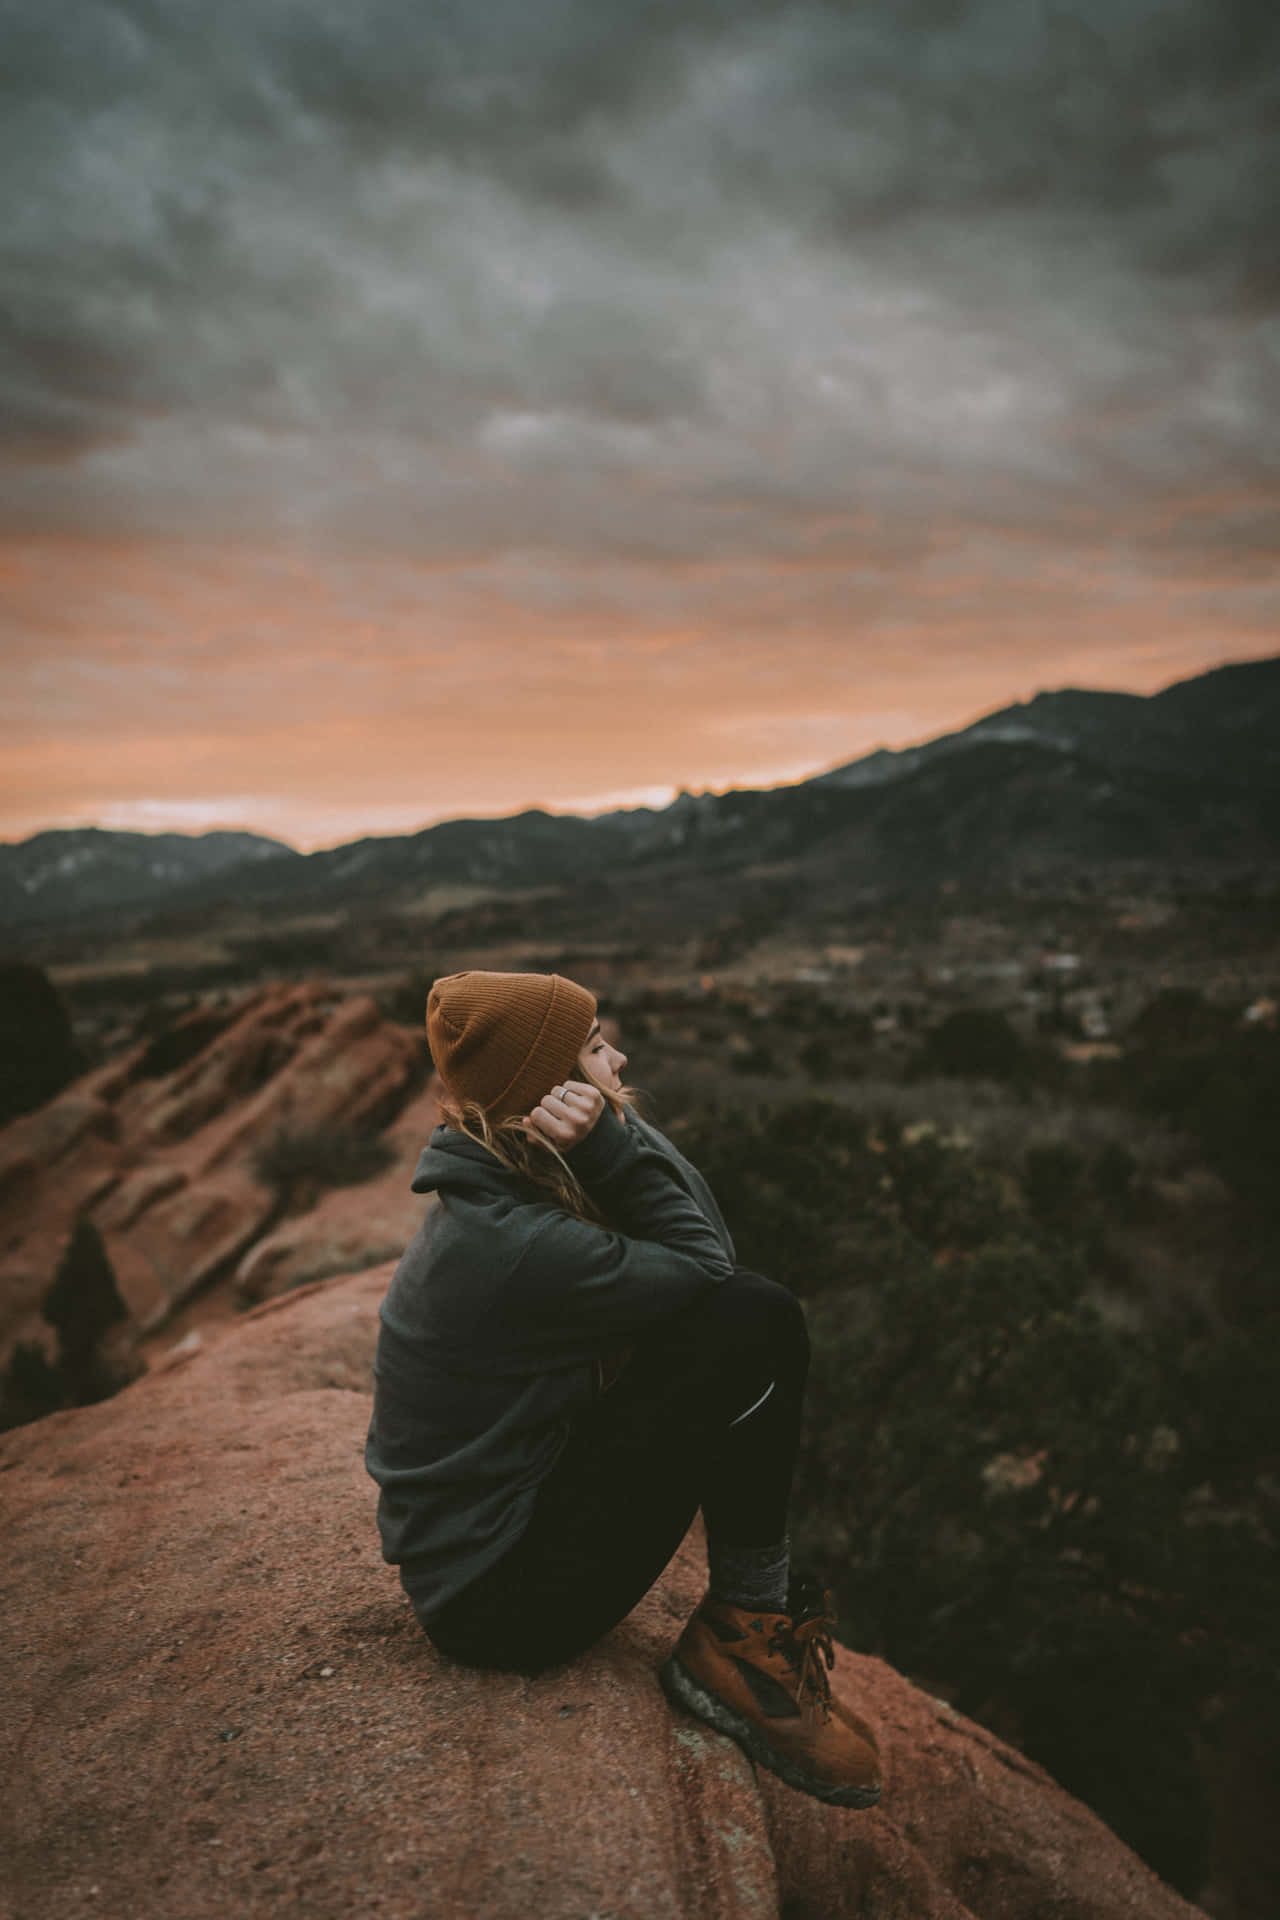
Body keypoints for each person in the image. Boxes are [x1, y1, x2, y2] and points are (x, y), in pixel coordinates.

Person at [365, 969, 881, 1809]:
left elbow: (704, 1249)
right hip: (503, 1599)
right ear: (552, 1095)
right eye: (598, 1048)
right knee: (756, 1316)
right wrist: (611, 1143)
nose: (621, 1057)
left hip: (492, 1558)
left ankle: (748, 1624)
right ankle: (742, 1638)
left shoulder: (499, 1189)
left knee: (736, 1317)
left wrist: (612, 1135)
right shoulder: (515, 1246)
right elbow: (718, 1274)